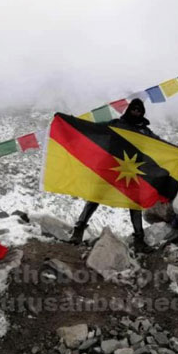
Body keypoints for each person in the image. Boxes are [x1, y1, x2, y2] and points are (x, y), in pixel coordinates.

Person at [68, 98, 159, 252]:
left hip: (132, 171)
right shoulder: (116, 124)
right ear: (129, 110)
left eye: (139, 110)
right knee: (95, 198)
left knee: (134, 204)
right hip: (111, 167)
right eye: (133, 109)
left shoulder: (145, 131)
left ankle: (139, 240)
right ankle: (78, 230)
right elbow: (94, 128)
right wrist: (70, 122)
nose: (136, 112)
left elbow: (161, 144)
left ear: (142, 112)